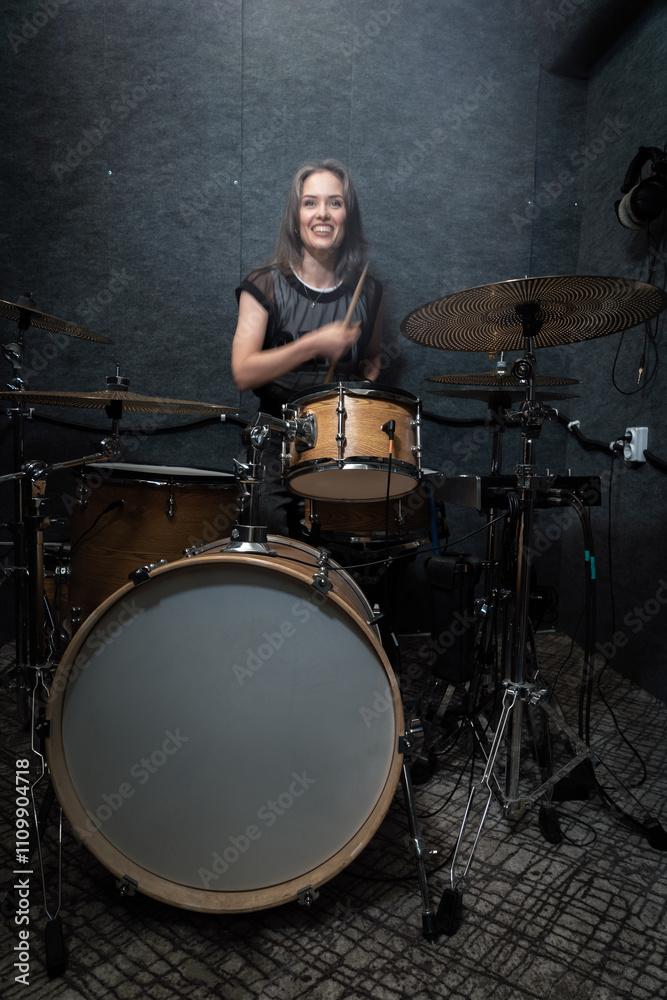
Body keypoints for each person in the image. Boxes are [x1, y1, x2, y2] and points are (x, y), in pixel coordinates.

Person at [231, 159, 384, 535]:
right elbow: (243, 371)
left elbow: (372, 355)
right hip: (273, 443)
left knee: (335, 564)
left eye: (335, 203)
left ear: (348, 216)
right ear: (295, 216)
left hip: (339, 445)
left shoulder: (368, 291)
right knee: (274, 565)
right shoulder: (263, 285)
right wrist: (315, 343)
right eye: (310, 202)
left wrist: (369, 371)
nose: (323, 214)